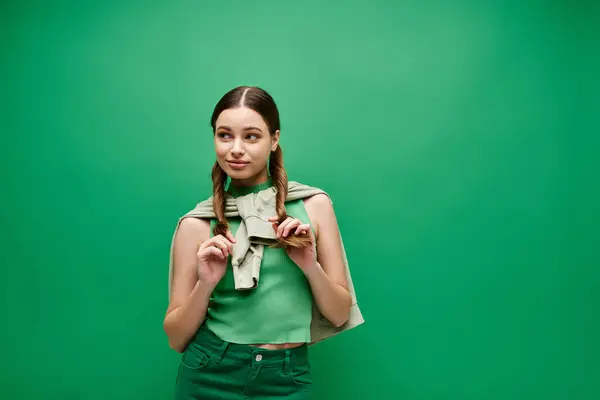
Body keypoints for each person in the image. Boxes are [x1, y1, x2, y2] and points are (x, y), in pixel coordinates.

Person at [163, 86, 363, 399]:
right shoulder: (197, 224)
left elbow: (339, 314)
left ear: (274, 139)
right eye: (225, 135)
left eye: (252, 136)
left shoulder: (312, 206)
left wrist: (309, 265)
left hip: (287, 378)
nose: (236, 149)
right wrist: (206, 284)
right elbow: (176, 338)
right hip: (209, 373)